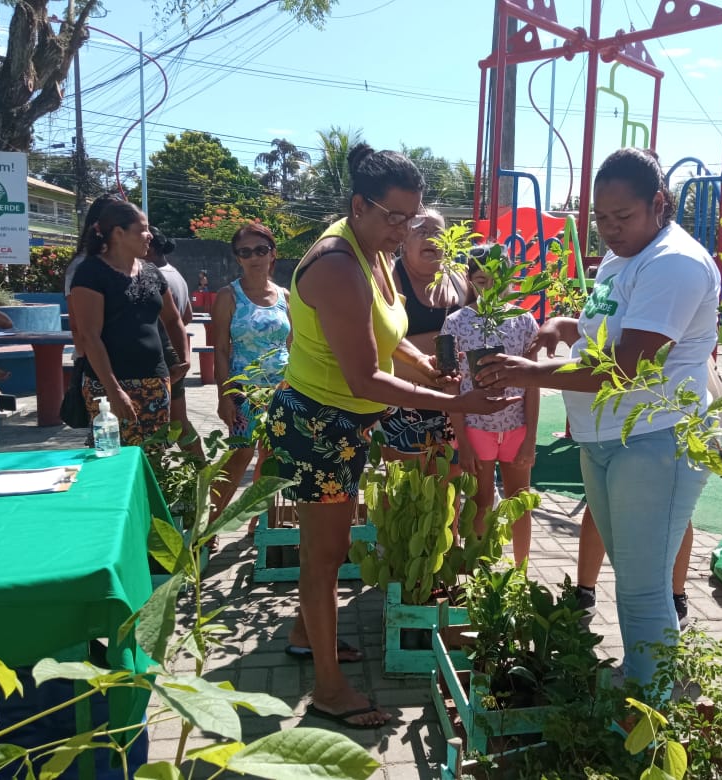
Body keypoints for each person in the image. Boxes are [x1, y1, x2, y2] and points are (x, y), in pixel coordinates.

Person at [264, 142, 518, 729]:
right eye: (394, 217)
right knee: (323, 558)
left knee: (325, 551)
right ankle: (328, 689)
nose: (404, 229)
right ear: (359, 205)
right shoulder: (336, 264)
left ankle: (307, 635)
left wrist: (427, 367)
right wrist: (455, 399)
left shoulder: (374, 250)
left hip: (346, 421)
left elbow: (389, 333)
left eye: (412, 216)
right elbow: (365, 374)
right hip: (319, 424)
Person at [475, 147, 720, 687]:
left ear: (658, 204)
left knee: (643, 583)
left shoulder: (672, 262)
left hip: (657, 438)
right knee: (633, 574)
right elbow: (606, 330)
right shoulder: (621, 257)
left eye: (622, 217)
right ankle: (643, 687)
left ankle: (648, 702)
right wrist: (566, 325)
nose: (610, 230)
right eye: (601, 219)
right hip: (606, 437)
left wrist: (527, 372)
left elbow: (629, 367)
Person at [442, 251, 539, 565]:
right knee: (481, 500)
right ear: (471, 280)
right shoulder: (456, 322)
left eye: (496, 278)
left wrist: (531, 437)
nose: (489, 286)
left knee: (520, 502)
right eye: (481, 279)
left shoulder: (524, 322)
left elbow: (533, 383)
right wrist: (463, 443)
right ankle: (479, 571)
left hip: (517, 427)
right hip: (476, 428)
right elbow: (452, 386)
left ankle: (521, 572)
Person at [70, 201, 189, 446]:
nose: (149, 236)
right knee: (115, 458)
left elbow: (173, 318)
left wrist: (183, 359)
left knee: (154, 456)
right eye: (142, 229)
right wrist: (114, 391)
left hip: (155, 381)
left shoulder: (150, 271)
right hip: (111, 387)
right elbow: (89, 337)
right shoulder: (91, 273)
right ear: (118, 233)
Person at [210, 223, 290, 527]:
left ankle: (260, 524)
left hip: (281, 391)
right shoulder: (229, 296)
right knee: (239, 456)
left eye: (261, 249)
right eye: (246, 252)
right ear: (238, 258)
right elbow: (219, 349)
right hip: (244, 391)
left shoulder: (285, 296)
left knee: (272, 459)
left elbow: (292, 346)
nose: (254, 257)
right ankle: (213, 523)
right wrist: (225, 395)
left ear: (273, 253)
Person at [379, 209, 466, 462]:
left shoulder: (460, 279)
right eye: (422, 231)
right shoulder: (389, 278)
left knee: (451, 488)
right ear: (404, 240)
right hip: (406, 402)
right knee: (406, 490)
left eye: (437, 233)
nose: (431, 239)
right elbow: (380, 344)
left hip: (454, 404)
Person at [144, 226, 200, 455]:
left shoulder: (151, 276)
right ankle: (200, 471)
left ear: (150, 248)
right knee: (180, 423)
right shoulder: (176, 274)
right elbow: (187, 317)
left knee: (153, 426)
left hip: (157, 355)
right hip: (175, 352)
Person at [65, 194, 123, 358]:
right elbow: (77, 324)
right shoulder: (81, 266)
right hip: (95, 364)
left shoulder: (128, 265)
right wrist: (89, 364)